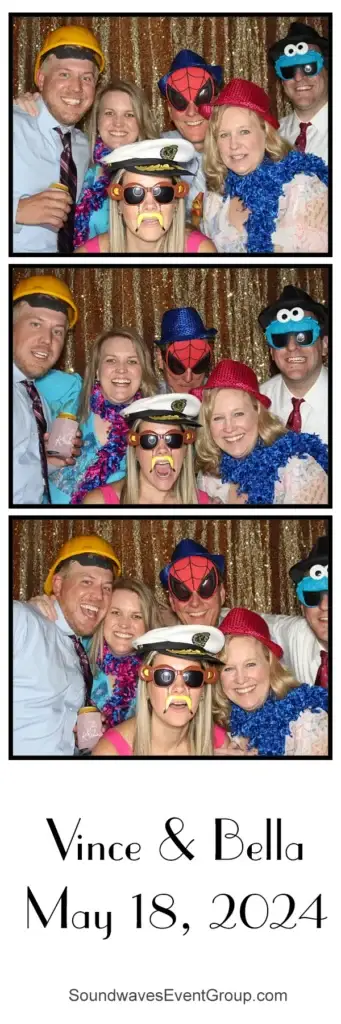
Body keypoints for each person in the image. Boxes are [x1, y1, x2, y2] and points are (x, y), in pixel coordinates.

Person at [13, 535, 120, 756]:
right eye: (87, 582)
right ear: (58, 585)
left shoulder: (77, 650)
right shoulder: (22, 620)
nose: (99, 596)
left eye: (107, 588)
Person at [202, 78, 328, 253]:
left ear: (266, 134)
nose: (233, 145)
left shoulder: (303, 188)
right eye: (224, 135)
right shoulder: (215, 197)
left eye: (244, 132)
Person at [13, 25, 104, 254]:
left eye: (87, 78)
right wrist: (16, 211)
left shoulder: (87, 145)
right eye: (64, 74)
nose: (76, 88)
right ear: (41, 80)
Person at [47, 327, 157, 504]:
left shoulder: (151, 429)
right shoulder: (71, 391)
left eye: (132, 361)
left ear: (143, 371)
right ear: (97, 370)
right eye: (111, 360)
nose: (122, 370)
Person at [194, 359, 328, 505]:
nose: (229, 428)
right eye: (218, 418)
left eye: (238, 414)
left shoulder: (298, 468)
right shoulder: (209, 476)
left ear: (258, 411)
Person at [91, 624, 225, 756]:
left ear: (202, 690)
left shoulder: (219, 743)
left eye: (192, 677)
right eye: (165, 676)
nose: (179, 688)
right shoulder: (110, 752)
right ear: (147, 687)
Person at [213, 607, 328, 756]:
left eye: (250, 664)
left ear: (270, 664)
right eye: (228, 669)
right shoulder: (227, 722)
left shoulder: (308, 722)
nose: (240, 679)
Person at [75, 139, 216, 253]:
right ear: (119, 204)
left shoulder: (202, 252)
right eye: (135, 193)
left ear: (175, 203)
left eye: (162, 192)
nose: (150, 206)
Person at [13, 274, 82, 505]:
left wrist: (49, 461)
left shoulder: (35, 398)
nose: (47, 340)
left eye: (58, 331)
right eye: (35, 324)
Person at [83, 393, 210, 506]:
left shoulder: (206, 506)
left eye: (173, 439)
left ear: (185, 449)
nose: (162, 450)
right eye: (150, 440)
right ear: (135, 450)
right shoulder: (99, 503)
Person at [74, 79, 158, 245]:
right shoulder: (81, 162)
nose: (118, 123)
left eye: (129, 115)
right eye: (109, 113)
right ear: (97, 120)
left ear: (141, 122)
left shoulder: (156, 172)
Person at [158, 49, 223, 222]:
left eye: (201, 98)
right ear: (169, 111)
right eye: (180, 102)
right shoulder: (156, 152)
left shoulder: (238, 152)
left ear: (217, 103)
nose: (192, 112)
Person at [258, 284, 328, 443]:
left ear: (324, 345)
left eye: (303, 336)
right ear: (272, 352)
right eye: (280, 339)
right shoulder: (258, 404)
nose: (291, 347)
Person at [265, 536, 329, 689]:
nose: (325, 606)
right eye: (312, 596)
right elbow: (255, 620)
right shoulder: (296, 634)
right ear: (302, 607)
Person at [268, 21, 328, 164]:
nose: (298, 77)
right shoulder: (273, 136)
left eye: (309, 67)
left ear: (327, 71)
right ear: (282, 81)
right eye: (289, 70)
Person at [160, 539, 226, 627]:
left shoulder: (245, 636)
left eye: (205, 588)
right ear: (172, 602)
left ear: (222, 594)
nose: (195, 603)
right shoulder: (159, 639)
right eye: (182, 592)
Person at [155, 306, 216, 394]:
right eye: (177, 366)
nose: (188, 378)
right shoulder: (145, 403)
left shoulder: (220, 399)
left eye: (199, 366)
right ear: (160, 358)